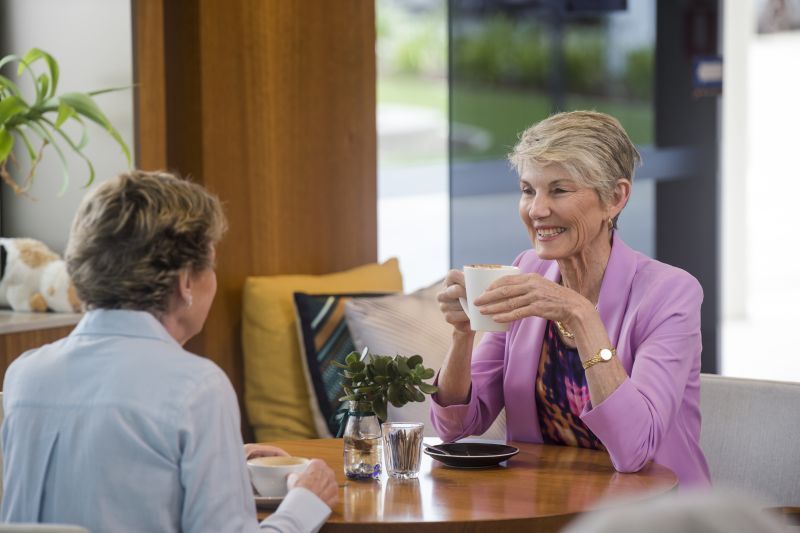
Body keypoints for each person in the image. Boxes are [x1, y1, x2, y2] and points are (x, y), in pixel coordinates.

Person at [1, 171, 338, 532]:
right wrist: (306, 503)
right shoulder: (197, 389)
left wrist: (218, 465)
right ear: (186, 281)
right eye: (212, 265)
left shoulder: (25, 376)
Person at [432, 111, 711, 486]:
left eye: (559, 190)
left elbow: (635, 450)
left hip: (650, 508)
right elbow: (457, 425)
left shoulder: (670, 294)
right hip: (542, 505)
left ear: (615, 198)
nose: (537, 210)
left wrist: (579, 313)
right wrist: (463, 333)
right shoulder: (527, 271)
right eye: (528, 190)